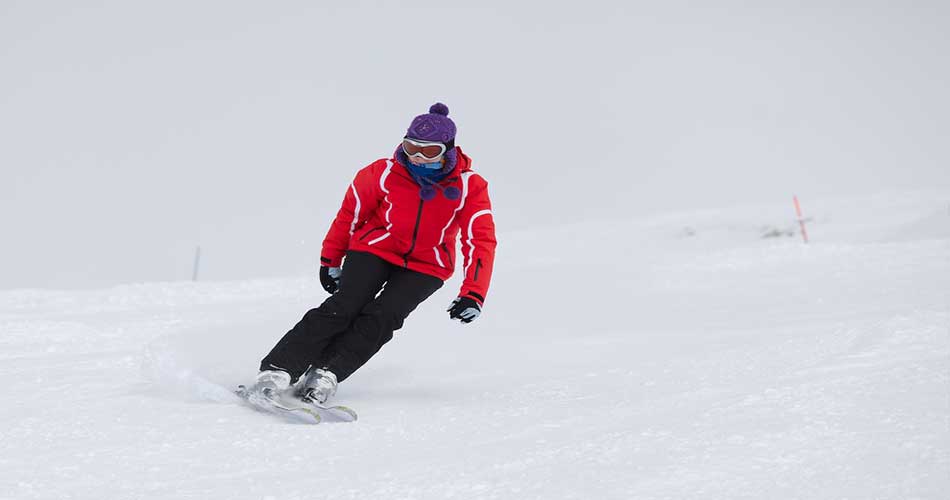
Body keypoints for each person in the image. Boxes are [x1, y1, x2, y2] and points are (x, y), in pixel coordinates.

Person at [242, 103, 497, 407]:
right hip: (374, 248)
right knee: (345, 305)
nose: (416, 156)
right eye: (411, 147)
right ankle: (278, 371)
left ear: (448, 150)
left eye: (428, 152)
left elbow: (480, 240)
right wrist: (330, 259)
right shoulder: (383, 172)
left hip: (428, 265)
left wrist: (473, 293)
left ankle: (326, 374)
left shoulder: (469, 186)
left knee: (383, 316)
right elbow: (350, 215)